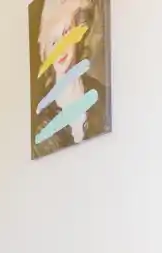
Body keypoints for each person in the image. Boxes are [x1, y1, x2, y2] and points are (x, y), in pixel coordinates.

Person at [32, 0, 110, 158]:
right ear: (44, 51)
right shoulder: (41, 121)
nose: (60, 48)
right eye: (53, 41)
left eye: (66, 34)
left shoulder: (103, 96)